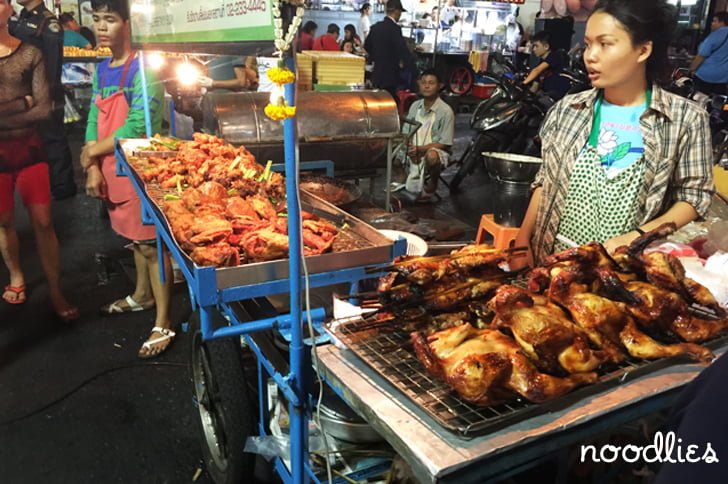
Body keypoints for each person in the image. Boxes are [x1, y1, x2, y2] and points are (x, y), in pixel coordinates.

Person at [513, 0, 715, 268]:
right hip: (553, 263)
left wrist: (637, 237)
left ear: (643, 50)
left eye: (605, 44)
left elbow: (693, 197)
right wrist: (522, 241)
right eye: (587, 44)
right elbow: (545, 181)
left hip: (625, 273)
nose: (590, 56)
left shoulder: (684, 119)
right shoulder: (568, 109)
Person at [81, 0, 175, 358]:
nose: (101, 27)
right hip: (109, 165)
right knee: (133, 241)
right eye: (97, 19)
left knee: (151, 244)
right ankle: (141, 295)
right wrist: (92, 162)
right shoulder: (102, 68)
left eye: (110, 20)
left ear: (128, 24)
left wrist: (92, 153)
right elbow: (93, 115)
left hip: (139, 167)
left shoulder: (144, 70)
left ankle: (164, 320)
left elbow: (137, 126)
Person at [0, 0, 77, 320]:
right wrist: (21, 103)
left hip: (31, 151)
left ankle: (55, 289)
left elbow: (44, 108)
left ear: (7, 8)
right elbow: (31, 105)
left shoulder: (31, 51)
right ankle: (16, 275)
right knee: (4, 222)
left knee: (44, 222)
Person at [10, 0, 77, 200]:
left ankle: (64, 189)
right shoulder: (22, 18)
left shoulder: (49, 24)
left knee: (53, 140)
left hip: (45, 93)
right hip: (25, 95)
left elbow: (52, 65)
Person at [402, 69, 455, 202]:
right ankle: (403, 182)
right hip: (414, 147)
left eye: (431, 83)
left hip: (436, 150)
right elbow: (405, 132)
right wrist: (409, 147)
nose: (426, 86)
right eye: (423, 82)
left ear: (440, 86)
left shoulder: (445, 111)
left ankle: (433, 183)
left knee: (432, 157)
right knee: (393, 153)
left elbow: (445, 143)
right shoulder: (415, 106)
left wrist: (420, 150)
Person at [364, 0, 416, 101]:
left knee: (377, 101)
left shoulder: (375, 27)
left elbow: (367, 46)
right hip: (390, 75)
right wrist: (414, 71)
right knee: (389, 102)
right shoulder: (395, 29)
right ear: (397, 11)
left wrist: (377, 57)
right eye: (400, 12)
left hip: (377, 73)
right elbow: (403, 52)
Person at [521, 30, 571, 100]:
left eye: (536, 46)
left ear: (546, 46)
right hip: (546, 95)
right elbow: (535, 86)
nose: (534, 49)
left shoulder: (554, 56)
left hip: (558, 97)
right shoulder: (541, 62)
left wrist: (523, 83)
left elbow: (537, 70)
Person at [689, 12, 728, 96]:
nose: (712, 24)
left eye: (714, 21)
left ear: (722, 22)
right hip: (722, 79)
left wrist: (692, 69)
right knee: (714, 105)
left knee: (698, 101)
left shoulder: (717, 34)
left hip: (705, 76)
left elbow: (701, 56)